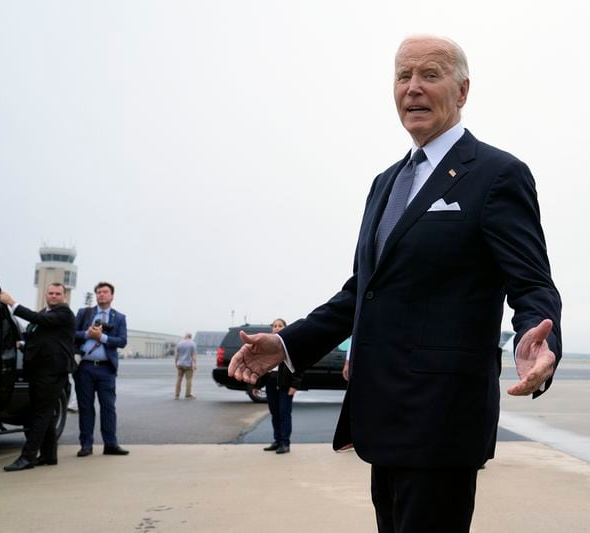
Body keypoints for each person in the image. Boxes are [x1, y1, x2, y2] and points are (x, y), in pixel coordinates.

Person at [229, 35, 562, 532]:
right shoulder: (386, 182)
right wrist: (286, 344)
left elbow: (532, 281)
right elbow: (361, 291)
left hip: (443, 418)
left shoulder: (496, 174)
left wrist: (540, 338)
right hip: (382, 412)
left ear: (463, 90)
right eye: (403, 76)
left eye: (429, 75)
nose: (413, 89)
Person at [0, 283, 75, 471]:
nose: (54, 296)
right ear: (46, 295)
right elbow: (41, 339)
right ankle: (49, 456)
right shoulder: (46, 313)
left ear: (64, 297)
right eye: (50, 293)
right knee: (46, 414)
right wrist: (22, 345)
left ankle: (28, 457)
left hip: (53, 372)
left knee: (39, 415)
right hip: (39, 371)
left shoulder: (64, 313)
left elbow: (38, 319)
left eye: (58, 293)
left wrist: (12, 303)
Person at [73, 281, 129, 457]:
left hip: (106, 369)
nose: (101, 295)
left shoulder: (119, 317)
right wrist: (87, 334)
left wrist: (102, 337)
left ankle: (110, 444)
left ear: (112, 296)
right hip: (85, 367)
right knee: (85, 407)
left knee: (108, 407)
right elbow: (71, 333)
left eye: (105, 292)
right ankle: (86, 445)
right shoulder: (84, 313)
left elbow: (122, 341)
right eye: (98, 292)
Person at [262, 318, 302, 455]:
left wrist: (295, 385)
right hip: (270, 382)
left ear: (285, 327)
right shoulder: (267, 345)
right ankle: (277, 440)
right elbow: (262, 366)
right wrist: (256, 384)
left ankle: (285, 443)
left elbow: (298, 366)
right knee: (274, 414)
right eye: (275, 326)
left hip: (285, 384)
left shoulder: (290, 344)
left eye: (280, 325)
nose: (277, 328)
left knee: (284, 413)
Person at [174, 332, 197, 399]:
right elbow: (193, 355)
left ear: (186, 336)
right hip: (188, 364)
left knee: (179, 379)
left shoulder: (180, 343)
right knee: (189, 379)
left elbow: (176, 354)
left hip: (180, 364)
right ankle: (187, 395)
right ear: (190, 337)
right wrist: (195, 364)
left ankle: (177, 395)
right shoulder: (193, 344)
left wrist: (176, 362)